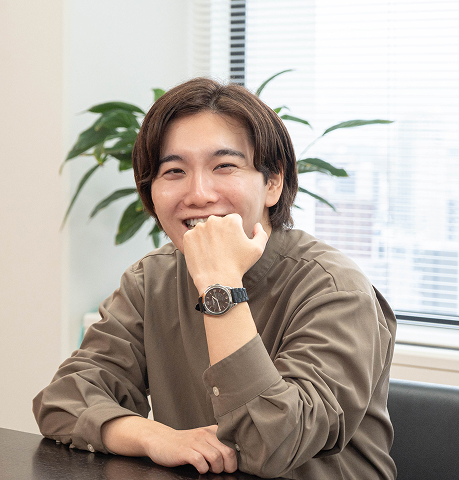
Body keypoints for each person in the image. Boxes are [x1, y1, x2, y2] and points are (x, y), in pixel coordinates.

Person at [33, 78, 397, 479]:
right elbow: (64, 399)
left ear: (273, 182)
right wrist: (155, 437)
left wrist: (219, 284)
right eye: (174, 171)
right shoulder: (151, 280)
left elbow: (272, 443)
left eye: (224, 166)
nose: (199, 194)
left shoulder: (336, 289)